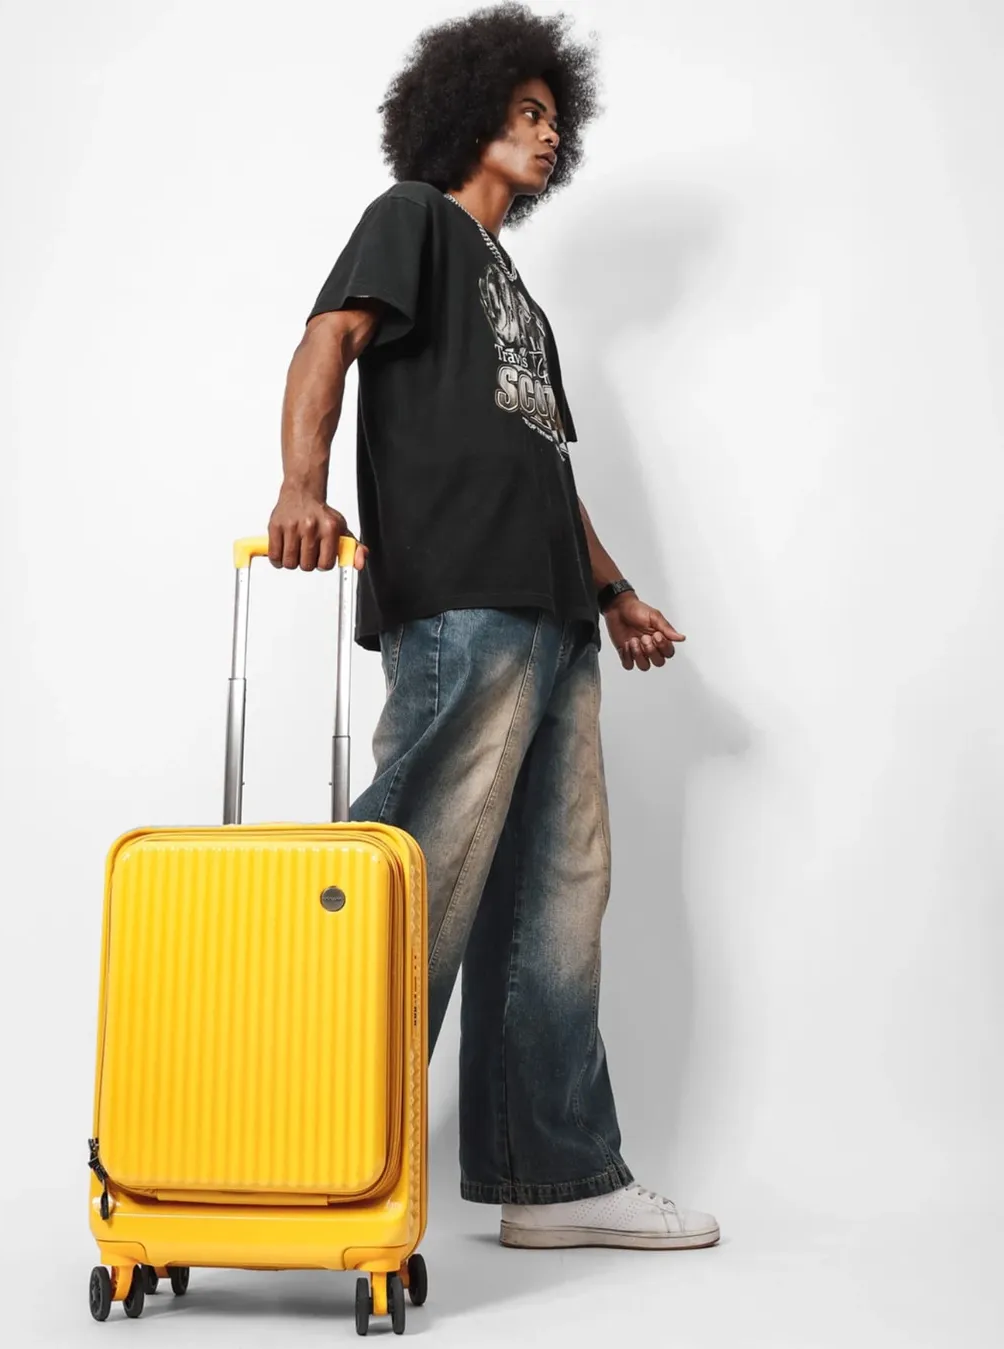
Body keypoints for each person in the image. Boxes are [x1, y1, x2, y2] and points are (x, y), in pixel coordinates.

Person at [267, 2, 719, 1251]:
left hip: (555, 614)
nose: (547, 133)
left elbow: (547, 469)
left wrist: (616, 594)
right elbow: (329, 336)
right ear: (467, 115)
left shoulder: (518, 294)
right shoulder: (411, 219)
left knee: (556, 894)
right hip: (462, 598)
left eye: (556, 119)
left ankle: (555, 1180)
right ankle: (292, 1143)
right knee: (413, 864)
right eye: (526, 112)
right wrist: (302, 485)